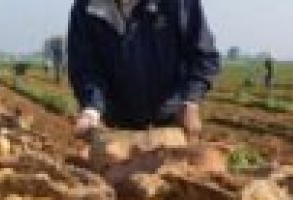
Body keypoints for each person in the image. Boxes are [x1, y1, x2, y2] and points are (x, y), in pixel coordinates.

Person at [67, 0, 221, 137]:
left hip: (171, 124)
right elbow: (85, 68)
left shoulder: (179, 3)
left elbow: (204, 57)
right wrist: (92, 109)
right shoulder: (85, 8)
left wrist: (190, 101)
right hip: (115, 128)